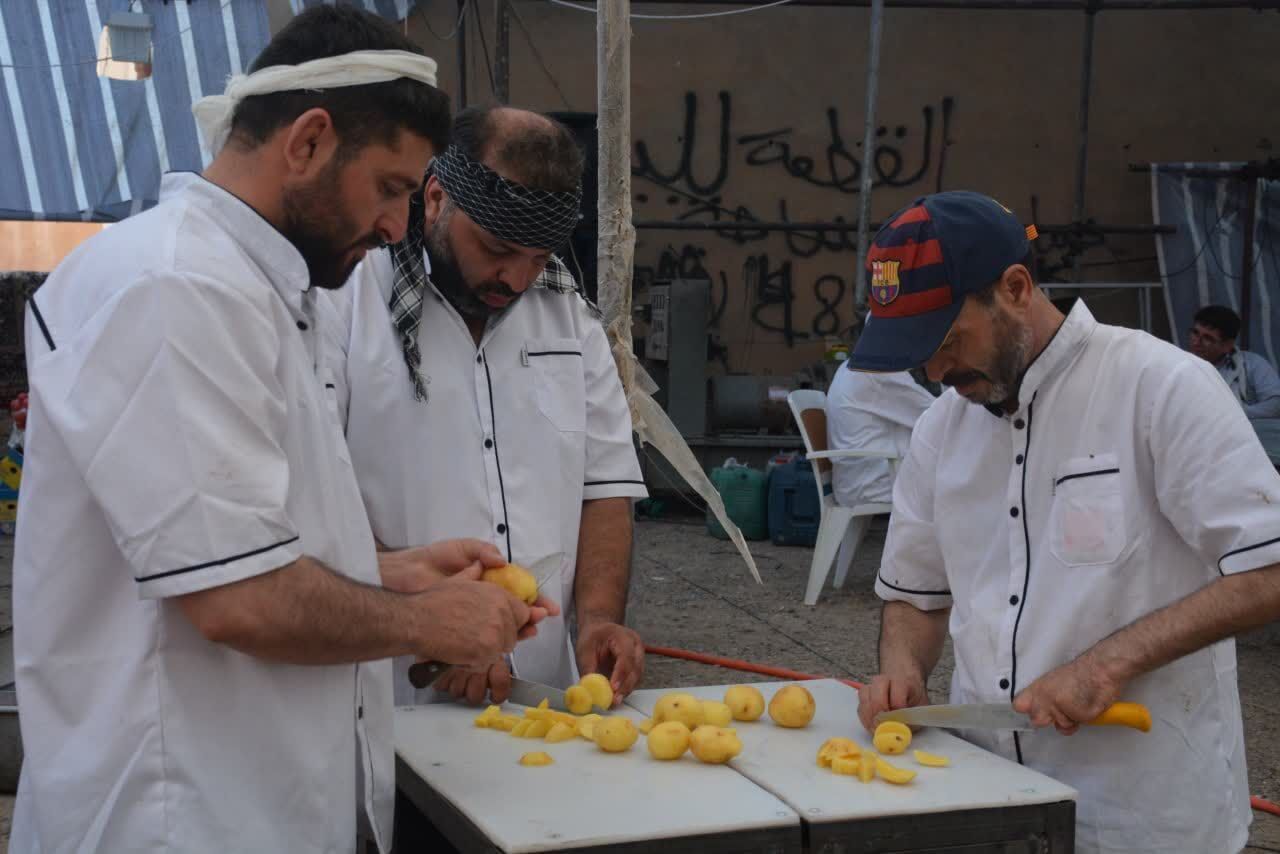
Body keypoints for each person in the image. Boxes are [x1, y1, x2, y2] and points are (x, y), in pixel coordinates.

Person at [12, 8, 555, 853]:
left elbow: (217, 546)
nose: (394, 227)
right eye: (390, 189)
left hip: (256, 802)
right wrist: (428, 624)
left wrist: (392, 572)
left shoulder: (254, 287)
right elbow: (237, 600)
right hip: (179, 815)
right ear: (307, 142)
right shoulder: (175, 286)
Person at [849, 191, 1280, 854]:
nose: (934, 372)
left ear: (1015, 288)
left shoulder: (1162, 386)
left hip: (1143, 815)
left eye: (946, 341)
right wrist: (902, 665)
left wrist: (1109, 663)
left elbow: (1268, 568)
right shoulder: (939, 429)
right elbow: (915, 594)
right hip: (986, 797)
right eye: (917, 356)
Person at [320, 105, 647, 708]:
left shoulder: (570, 319)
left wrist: (599, 620)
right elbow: (314, 502)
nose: (516, 280)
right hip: (385, 697)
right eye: (496, 248)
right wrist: (428, 621)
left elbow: (604, 488)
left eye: (537, 258)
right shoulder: (344, 305)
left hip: (540, 696)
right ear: (438, 198)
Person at [825, 355, 935, 508]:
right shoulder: (879, 369)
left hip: (855, 480)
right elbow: (934, 415)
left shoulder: (850, 365)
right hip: (875, 484)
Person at [1188, 304, 1280, 419]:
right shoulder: (1181, 365)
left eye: (1207, 338)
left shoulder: (1251, 364)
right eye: (1195, 333)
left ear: (1227, 345)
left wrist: (1233, 415)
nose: (1196, 342)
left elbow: (1276, 405)